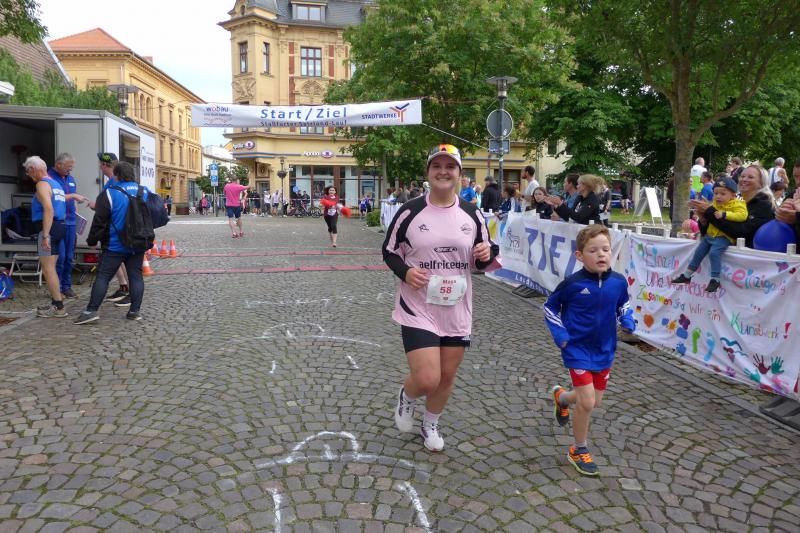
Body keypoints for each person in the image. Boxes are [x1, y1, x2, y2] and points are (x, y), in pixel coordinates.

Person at [383, 144, 500, 452]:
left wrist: (486, 253)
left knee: (446, 376)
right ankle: (408, 396)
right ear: (428, 172)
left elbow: (486, 256)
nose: (443, 171)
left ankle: (430, 423)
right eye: (437, 166)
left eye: (450, 167)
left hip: (456, 307)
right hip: (418, 305)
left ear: (460, 174)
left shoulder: (472, 213)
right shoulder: (410, 211)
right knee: (427, 378)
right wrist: (406, 272)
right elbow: (389, 251)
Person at [545, 224, 635, 476]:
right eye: (593, 251)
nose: (601, 255)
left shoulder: (618, 282)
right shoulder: (572, 284)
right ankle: (578, 449)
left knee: (595, 401)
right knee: (586, 402)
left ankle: (562, 398)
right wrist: (561, 335)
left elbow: (624, 304)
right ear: (580, 256)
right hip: (577, 348)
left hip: (605, 349)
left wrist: (627, 319)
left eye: (605, 249)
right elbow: (550, 307)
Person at [74, 161, 152, 324]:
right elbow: (156, 214)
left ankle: (91, 311)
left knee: (103, 276)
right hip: (138, 243)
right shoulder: (144, 191)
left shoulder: (109, 193)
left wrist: (92, 240)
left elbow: (99, 221)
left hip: (115, 245)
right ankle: (134, 311)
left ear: (116, 175)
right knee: (135, 276)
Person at [673, 177, 747, 293]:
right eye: (716, 193)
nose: (718, 196)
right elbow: (707, 217)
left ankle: (715, 279)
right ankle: (687, 275)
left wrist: (725, 214)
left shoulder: (738, 204)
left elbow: (742, 215)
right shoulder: (714, 204)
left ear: (733, 195)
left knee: (714, 253)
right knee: (698, 252)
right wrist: (701, 214)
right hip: (710, 235)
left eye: (723, 194)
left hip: (723, 237)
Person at [689, 164, 775, 248]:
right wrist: (703, 221)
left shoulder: (764, 204)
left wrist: (709, 211)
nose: (744, 179)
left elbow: (742, 233)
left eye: (750, 177)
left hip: (750, 255)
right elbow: (714, 231)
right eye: (742, 176)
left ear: (761, 183)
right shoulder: (735, 201)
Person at [26, 156, 71, 318]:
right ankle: (56, 301)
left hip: (49, 230)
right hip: (60, 227)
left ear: (33, 169)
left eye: (28, 171)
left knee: (48, 268)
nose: (28, 175)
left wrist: (45, 235)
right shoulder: (56, 183)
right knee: (51, 267)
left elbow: (49, 209)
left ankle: (59, 307)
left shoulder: (42, 184)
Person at [49, 153, 87, 300]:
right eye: (68, 167)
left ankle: (67, 286)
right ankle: (57, 288)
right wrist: (73, 196)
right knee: (60, 257)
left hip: (71, 222)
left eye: (72, 167)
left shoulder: (70, 179)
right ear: (58, 164)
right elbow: (53, 198)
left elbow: (73, 200)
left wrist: (77, 217)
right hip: (57, 222)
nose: (70, 169)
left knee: (69, 257)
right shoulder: (49, 178)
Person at [97, 153, 131, 305]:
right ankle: (124, 287)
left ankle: (128, 290)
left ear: (105, 165)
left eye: (101, 163)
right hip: (117, 227)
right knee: (120, 259)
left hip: (115, 228)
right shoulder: (113, 182)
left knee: (119, 258)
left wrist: (96, 205)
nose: (100, 166)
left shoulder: (113, 183)